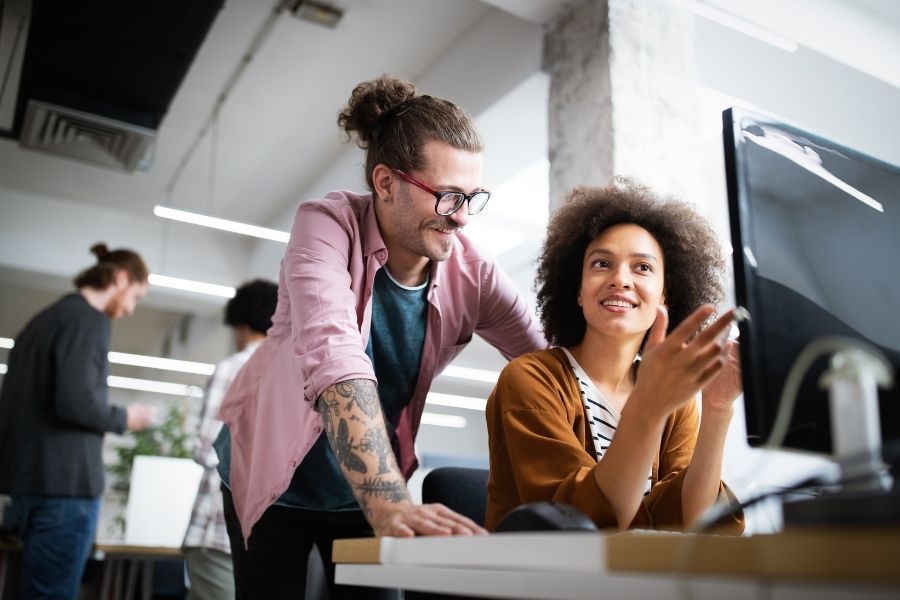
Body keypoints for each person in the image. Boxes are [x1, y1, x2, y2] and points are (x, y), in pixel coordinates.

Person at [214, 73, 546, 598]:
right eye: (447, 196)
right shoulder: (326, 226)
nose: (462, 218)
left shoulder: (474, 272)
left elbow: (547, 362)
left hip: (360, 487)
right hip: (275, 473)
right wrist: (390, 501)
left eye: (472, 198)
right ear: (386, 183)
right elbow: (334, 355)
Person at [485, 179, 745, 533]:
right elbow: (580, 523)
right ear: (578, 289)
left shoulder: (676, 400)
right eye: (602, 263)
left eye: (643, 267)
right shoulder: (530, 379)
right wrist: (649, 405)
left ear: (665, 295)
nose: (620, 279)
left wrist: (717, 409)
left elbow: (694, 521)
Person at [0, 243, 157, 598]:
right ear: (120, 279)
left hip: (29, 486)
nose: (131, 309)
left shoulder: (42, 322)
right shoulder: (89, 320)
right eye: (135, 297)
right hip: (66, 488)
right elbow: (74, 402)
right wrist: (124, 417)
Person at [182, 279, 278, 600]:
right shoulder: (289, 371)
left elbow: (207, 448)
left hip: (217, 524)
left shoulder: (233, 367)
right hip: (263, 529)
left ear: (240, 325)